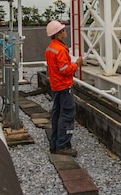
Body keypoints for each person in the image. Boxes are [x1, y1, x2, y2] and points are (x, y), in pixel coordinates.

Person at [45, 20, 82, 157]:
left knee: (57, 114)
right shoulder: (60, 50)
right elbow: (65, 70)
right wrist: (76, 64)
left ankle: (55, 144)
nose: (65, 31)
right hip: (64, 86)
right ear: (58, 34)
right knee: (67, 114)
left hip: (56, 86)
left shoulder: (50, 48)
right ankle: (62, 145)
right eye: (63, 30)